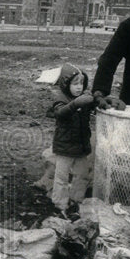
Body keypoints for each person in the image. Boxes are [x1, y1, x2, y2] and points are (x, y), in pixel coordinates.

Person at [46, 64, 97, 214]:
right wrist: (74, 104)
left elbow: (94, 106)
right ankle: (59, 204)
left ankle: (76, 201)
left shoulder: (84, 98)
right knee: (61, 176)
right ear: (66, 84)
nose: (79, 87)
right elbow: (60, 113)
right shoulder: (61, 99)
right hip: (65, 146)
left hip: (81, 146)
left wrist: (101, 101)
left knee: (82, 175)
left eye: (81, 83)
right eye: (75, 83)